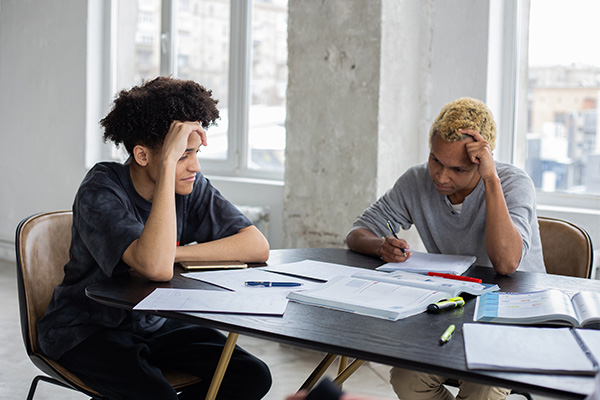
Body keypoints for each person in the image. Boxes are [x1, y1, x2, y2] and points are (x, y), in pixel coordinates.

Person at [37, 77, 272, 400]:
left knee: (251, 375)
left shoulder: (189, 185)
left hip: (154, 322)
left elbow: (256, 246)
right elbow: (155, 268)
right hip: (85, 329)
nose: (195, 167)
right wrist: (167, 168)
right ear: (142, 155)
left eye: (195, 153)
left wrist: (175, 254)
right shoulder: (100, 188)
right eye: (182, 155)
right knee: (156, 395)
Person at [346, 97, 545, 400]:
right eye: (435, 160)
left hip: (514, 319)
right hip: (455, 313)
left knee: (480, 389)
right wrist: (380, 246)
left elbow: (506, 264)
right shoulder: (416, 181)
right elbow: (357, 232)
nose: (441, 176)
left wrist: (490, 179)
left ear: (482, 160)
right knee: (407, 379)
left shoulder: (512, 183)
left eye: (458, 169)